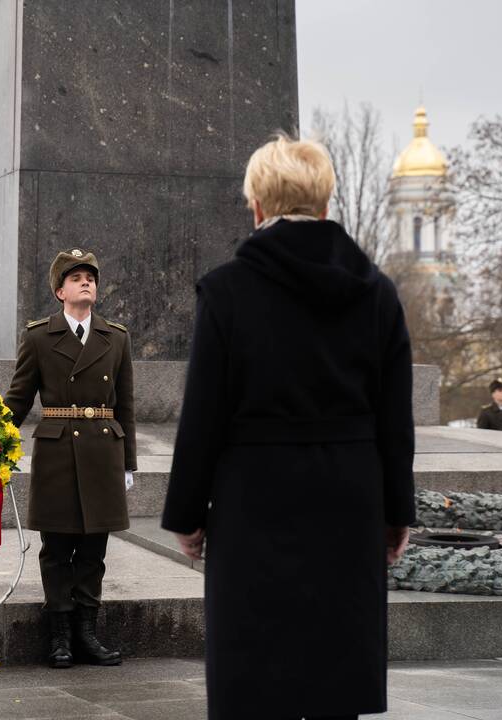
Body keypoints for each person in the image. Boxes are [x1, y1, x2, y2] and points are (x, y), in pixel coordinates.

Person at [161, 136, 415, 719]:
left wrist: (186, 516)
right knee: (334, 673)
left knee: (254, 677)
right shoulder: (377, 293)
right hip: (348, 502)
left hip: (255, 500)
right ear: (324, 206)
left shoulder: (227, 290)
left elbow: (204, 412)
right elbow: (395, 421)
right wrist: (397, 511)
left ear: (257, 206)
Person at [4, 248, 137, 669]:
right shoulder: (40, 336)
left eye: (91, 277)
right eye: (76, 277)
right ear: (60, 290)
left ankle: (87, 633)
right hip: (59, 451)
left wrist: (129, 462)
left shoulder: (116, 337)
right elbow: (18, 399)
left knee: (94, 549)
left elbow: (127, 404)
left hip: (102, 451)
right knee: (58, 548)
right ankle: (59, 635)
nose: (86, 283)